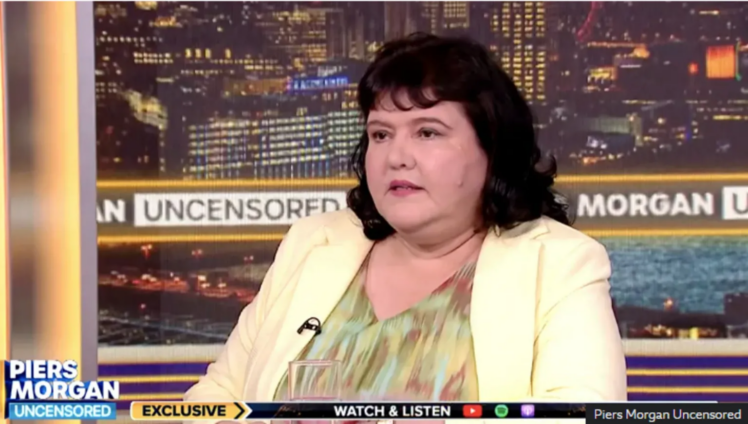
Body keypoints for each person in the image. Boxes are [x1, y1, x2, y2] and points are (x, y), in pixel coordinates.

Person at [185, 33, 627, 414]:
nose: (396, 156)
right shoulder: (313, 242)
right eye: (380, 134)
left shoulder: (560, 264)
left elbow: (581, 414)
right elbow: (215, 398)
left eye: (427, 132)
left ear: (492, 147)